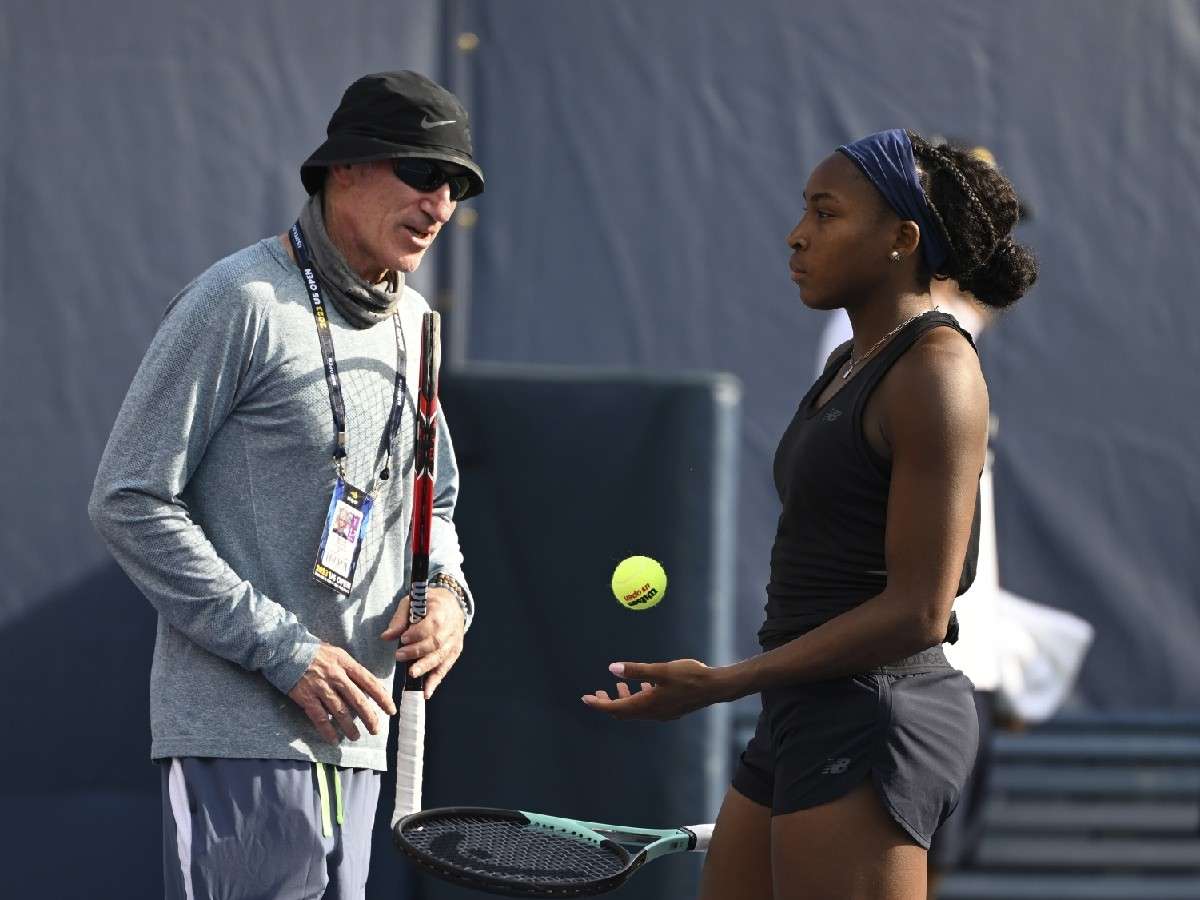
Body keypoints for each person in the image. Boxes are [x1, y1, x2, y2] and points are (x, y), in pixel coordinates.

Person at [583, 128, 1038, 899]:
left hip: (876, 714)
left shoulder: (937, 370)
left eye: (826, 214)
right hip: (803, 710)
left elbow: (920, 612)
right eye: (804, 210)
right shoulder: (846, 363)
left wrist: (726, 681)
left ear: (902, 239)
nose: (797, 234)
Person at [89, 70, 482, 899]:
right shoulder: (237, 299)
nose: (440, 203)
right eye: (421, 172)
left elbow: (431, 501)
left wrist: (447, 593)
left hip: (359, 740)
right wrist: (285, 651)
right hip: (240, 738)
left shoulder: (416, 324)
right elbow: (128, 499)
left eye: (455, 185)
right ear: (345, 169)